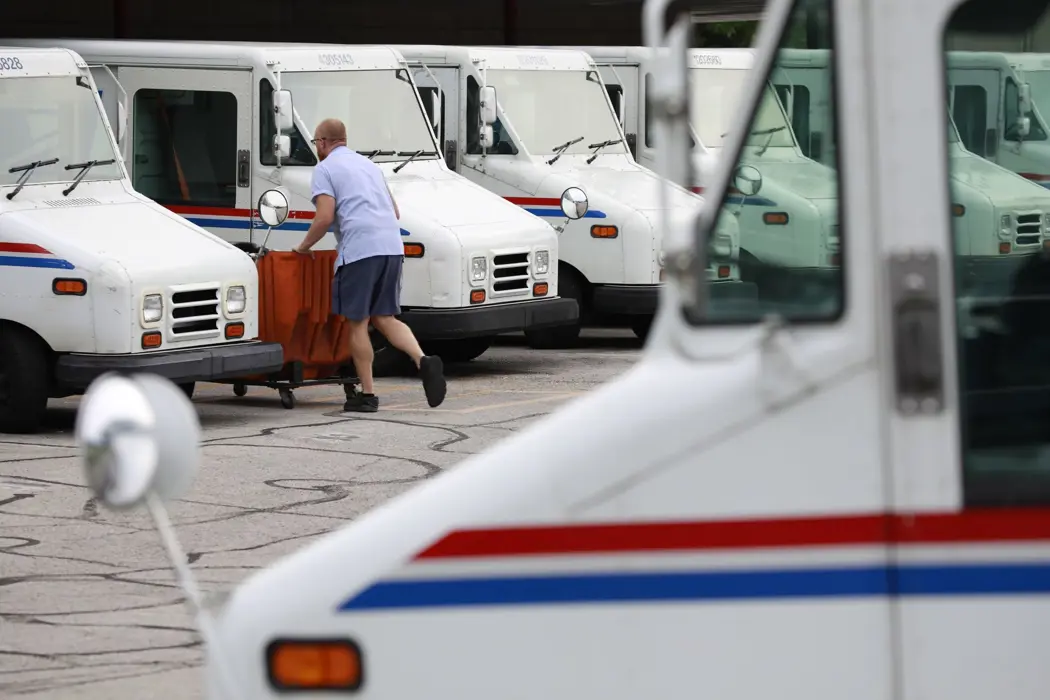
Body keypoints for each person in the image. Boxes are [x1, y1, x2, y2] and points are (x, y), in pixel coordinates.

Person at [292, 118, 446, 412]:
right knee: (385, 318)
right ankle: (423, 360)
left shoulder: (325, 169)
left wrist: (303, 247)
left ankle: (368, 395)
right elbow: (394, 211)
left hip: (360, 251)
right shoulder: (369, 166)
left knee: (358, 323)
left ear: (322, 142)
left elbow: (324, 217)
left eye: (315, 143)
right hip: (392, 247)